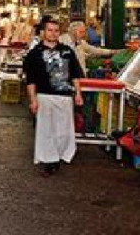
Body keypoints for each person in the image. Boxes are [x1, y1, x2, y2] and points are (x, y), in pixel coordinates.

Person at [24, 18, 84, 176]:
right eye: (50, 30)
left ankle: (60, 155)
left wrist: (78, 93)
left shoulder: (68, 51)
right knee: (46, 130)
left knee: (64, 130)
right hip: (44, 96)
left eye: (56, 31)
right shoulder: (34, 54)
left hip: (64, 96)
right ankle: (50, 160)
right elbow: (30, 80)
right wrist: (33, 100)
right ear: (43, 32)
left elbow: (75, 75)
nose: (53, 33)